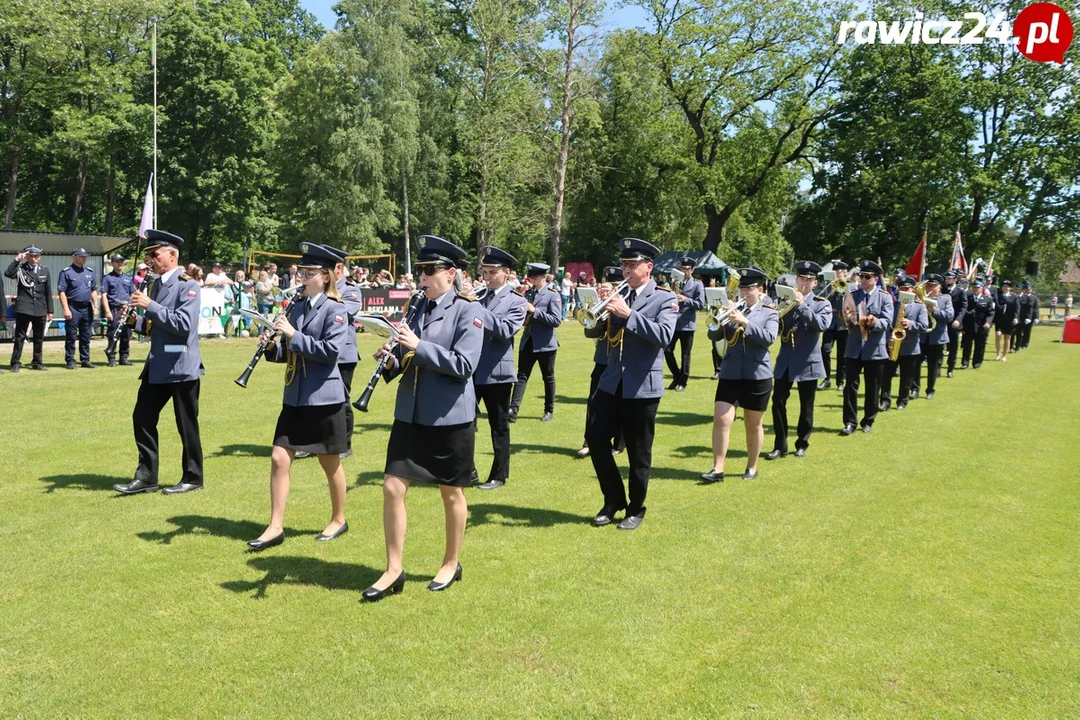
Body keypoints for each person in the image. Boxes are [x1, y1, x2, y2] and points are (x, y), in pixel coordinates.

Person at [362, 235, 484, 601]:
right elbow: (408, 361)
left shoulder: (469, 310)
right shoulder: (417, 309)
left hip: (449, 417)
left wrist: (418, 345)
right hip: (411, 413)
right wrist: (391, 358)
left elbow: (464, 365)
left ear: (452, 274)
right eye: (421, 271)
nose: (423, 279)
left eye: (430, 271)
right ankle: (393, 569)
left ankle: (451, 562)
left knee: (451, 493)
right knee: (392, 486)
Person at [246, 243, 351, 550]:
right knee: (279, 457)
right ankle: (275, 525)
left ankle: (339, 518)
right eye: (302, 272)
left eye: (310, 273)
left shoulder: (336, 309)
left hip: (324, 397)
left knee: (329, 462)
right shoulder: (299, 306)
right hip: (295, 396)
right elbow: (291, 354)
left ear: (326, 276)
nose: (303, 277)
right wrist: (271, 347)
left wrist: (293, 334)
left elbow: (330, 353)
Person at [585, 238, 676, 531]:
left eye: (631, 264)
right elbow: (592, 332)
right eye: (623, 264)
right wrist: (598, 309)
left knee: (639, 453)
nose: (625, 269)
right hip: (612, 382)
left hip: (642, 386)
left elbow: (664, 336)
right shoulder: (617, 294)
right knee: (596, 439)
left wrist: (629, 315)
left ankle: (636, 508)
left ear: (648, 268)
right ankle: (613, 500)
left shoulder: (665, 298)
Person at [113, 230, 205, 495]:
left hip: (181, 364)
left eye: (155, 254)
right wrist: (135, 322)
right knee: (142, 417)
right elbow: (156, 328)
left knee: (186, 425)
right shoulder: (155, 285)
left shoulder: (188, 284)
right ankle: (146, 476)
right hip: (158, 363)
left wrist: (149, 305)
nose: (150, 260)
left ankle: (193, 477)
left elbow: (183, 325)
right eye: (149, 256)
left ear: (172, 254)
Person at [700, 266, 778, 482]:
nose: (744, 293)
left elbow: (769, 338)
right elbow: (713, 335)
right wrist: (720, 314)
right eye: (741, 289)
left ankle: (752, 467)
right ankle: (718, 468)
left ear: (760, 289)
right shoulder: (732, 309)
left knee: (752, 424)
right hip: (731, 372)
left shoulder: (770, 312)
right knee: (721, 419)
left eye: (749, 289)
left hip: (757, 375)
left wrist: (745, 322)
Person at [472, 246, 528, 489]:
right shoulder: (479, 296)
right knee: (464, 424)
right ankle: (466, 471)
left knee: (499, 427)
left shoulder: (518, 301)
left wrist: (477, 310)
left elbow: (505, 330)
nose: (487, 277)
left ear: (507, 273)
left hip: (498, 373)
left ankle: (499, 475)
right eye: (484, 272)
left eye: (493, 272)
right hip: (471, 369)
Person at [765, 262, 831, 460]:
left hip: (807, 360)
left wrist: (802, 305)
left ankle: (802, 443)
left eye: (808, 280)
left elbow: (821, 325)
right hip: (786, 358)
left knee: (806, 405)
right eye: (801, 278)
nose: (804, 282)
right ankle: (780, 444)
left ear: (815, 283)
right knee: (778, 401)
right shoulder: (786, 301)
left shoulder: (822, 303)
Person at [302, 243, 363, 459]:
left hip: (343, 355)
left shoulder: (350, 290)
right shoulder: (313, 293)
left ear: (338, 270)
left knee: (342, 401)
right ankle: (311, 441)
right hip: (317, 351)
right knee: (312, 396)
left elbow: (346, 311)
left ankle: (344, 444)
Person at [578, 267, 627, 459]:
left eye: (613, 286)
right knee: (594, 401)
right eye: (607, 287)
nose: (609, 291)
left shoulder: (626, 303)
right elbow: (589, 332)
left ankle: (619, 443)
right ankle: (588, 441)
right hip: (602, 359)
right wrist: (596, 310)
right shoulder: (602, 305)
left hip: (622, 359)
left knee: (621, 403)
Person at [840, 260, 894, 435]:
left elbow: (887, 321)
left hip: (875, 349)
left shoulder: (885, 297)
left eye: (867, 277)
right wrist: (846, 318)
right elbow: (845, 315)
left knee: (873, 387)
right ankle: (850, 421)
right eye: (861, 276)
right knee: (850, 386)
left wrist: (874, 321)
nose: (862, 279)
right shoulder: (852, 295)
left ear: (876, 279)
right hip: (855, 347)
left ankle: (868, 420)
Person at [509, 263, 562, 422]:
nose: (531, 280)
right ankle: (513, 409)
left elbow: (556, 320)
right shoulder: (529, 293)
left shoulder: (553, 294)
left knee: (548, 377)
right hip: (528, 340)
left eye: (535, 277)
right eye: (530, 277)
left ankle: (549, 410)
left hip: (546, 343)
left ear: (544, 277)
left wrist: (535, 311)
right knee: (521, 376)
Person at [880, 276, 929, 410]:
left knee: (907, 377)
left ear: (912, 290)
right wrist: (889, 336)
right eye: (902, 289)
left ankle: (902, 401)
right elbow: (887, 323)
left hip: (910, 347)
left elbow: (924, 326)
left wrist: (910, 323)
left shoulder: (920, 307)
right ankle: (885, 401)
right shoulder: (893, 305)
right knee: (886, 376)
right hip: (892, 345)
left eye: (907, 289)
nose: (904, 291)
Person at [6, 246, 54, 372]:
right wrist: (17, 260)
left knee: (39, 337)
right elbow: (8, 273)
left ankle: (37, 362)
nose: (34, 259)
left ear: (39, 257)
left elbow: (48, 292)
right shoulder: (21, 269)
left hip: (40, 308)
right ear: (27, 256)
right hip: (24, 308)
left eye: (36, 256)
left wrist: (50, 311)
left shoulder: (44, 271)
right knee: (20, 337)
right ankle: (15, 362)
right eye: (31, 256)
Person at [665, 256, 706, 392]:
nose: (684, 271)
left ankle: (683, 381)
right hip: (673, 323)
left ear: (692, 270)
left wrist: (686, 299)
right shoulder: (676, 282)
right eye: (682, 268)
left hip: (687, 324)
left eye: (687, 269)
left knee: (685, 355)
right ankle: (677, 376)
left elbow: (700, 304)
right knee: (667, 350)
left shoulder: (697, 284)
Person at [57, 247, 100, 370]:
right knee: (71, 336)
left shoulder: (89, 272)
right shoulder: (66, 272)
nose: (84, 258)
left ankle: (85, 359)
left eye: (85, 256)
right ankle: (70, 360)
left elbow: (93, 290)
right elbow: (61, 292)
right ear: (74, 256)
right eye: (81, 256)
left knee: (86, 336)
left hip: (87, 308)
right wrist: (66, 309)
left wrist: (95, 306)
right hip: (73, 307)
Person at [920, 274, 954, 399]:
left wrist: (934, 311)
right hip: (922, 336)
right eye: (929, 285)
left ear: (939, 287)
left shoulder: (945, 299)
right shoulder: (920, 298)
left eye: (933, 286)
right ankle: (914, 388)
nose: (930, 288)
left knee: (933, 366)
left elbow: (949, 316)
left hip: (937, 337)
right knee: (915, 365)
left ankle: (930, 390)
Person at [818, 260, 850, 390]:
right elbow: (823, 299)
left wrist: (840, 287)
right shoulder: (828, 285)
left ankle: (840, 381)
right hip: (830, 323)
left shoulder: (850, 286)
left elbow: (848, 300)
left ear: (845, 273)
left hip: (843, 324)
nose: (837, 273)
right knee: (825, 350)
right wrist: (830, 288)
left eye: (840, 271)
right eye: (836, 271)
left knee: (842, 355)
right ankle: (826, 379)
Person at [102, 254, 136, 366]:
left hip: (127, 309)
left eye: (121, 261)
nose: (120, 264)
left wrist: (132, 307)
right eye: (117, 262)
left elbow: (133, 294)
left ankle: (124, 357)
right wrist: (107, 311)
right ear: (112, 263)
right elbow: (104, 295)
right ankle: (111, 357)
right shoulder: (107, 278)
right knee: (113, 334)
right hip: (115, 310)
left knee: (126, 334)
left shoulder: (128, 278)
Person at [961, 279, 995, 369]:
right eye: (974, 287)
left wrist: (988, 322)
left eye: (977, 287)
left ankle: (977, 363)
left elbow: (991, 312)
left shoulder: (987, 299)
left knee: (980, 346)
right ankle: (965, 362)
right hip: (969, 325)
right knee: (967, 345)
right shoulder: (967, 298)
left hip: (981, 326)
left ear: (981, 289)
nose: (975, 289)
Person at [943, 271, 968, 377]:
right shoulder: (942, 290)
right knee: (940, 347)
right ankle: (938, 366)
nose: (947, 280)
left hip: (954, 323)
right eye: (946, 278)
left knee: (953, 347)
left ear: (954, 280)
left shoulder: (960, 291)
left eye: (949, 279)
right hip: (942, 322)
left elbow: (963, 307)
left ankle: (950, 369)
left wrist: (958, 320)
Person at [994, 279, 1019, 361]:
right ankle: (998, 354)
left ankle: (1004, 356)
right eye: (1004, 286)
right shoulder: (998, 296)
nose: (1005, 287)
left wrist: (1016, 317)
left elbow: (1017, 308)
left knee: (1007, 337)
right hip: (999, 319)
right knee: (998, 334)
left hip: (1009, 320)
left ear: (1010, 288)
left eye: (1007, 286)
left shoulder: (1014, 297)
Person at [1017, 281, 1038, 349]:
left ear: (1031, 290)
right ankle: (1019, 343)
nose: (1028, 290)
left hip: (1030, 317)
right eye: (1026, 289)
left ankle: (1025, 343)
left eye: (1029, 289)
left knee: (1027, 331)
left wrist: (1036, 317)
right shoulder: (1021, 297)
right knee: (1019, 331)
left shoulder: (1034, 298)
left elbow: (1036, 308)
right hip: (1021, 317)